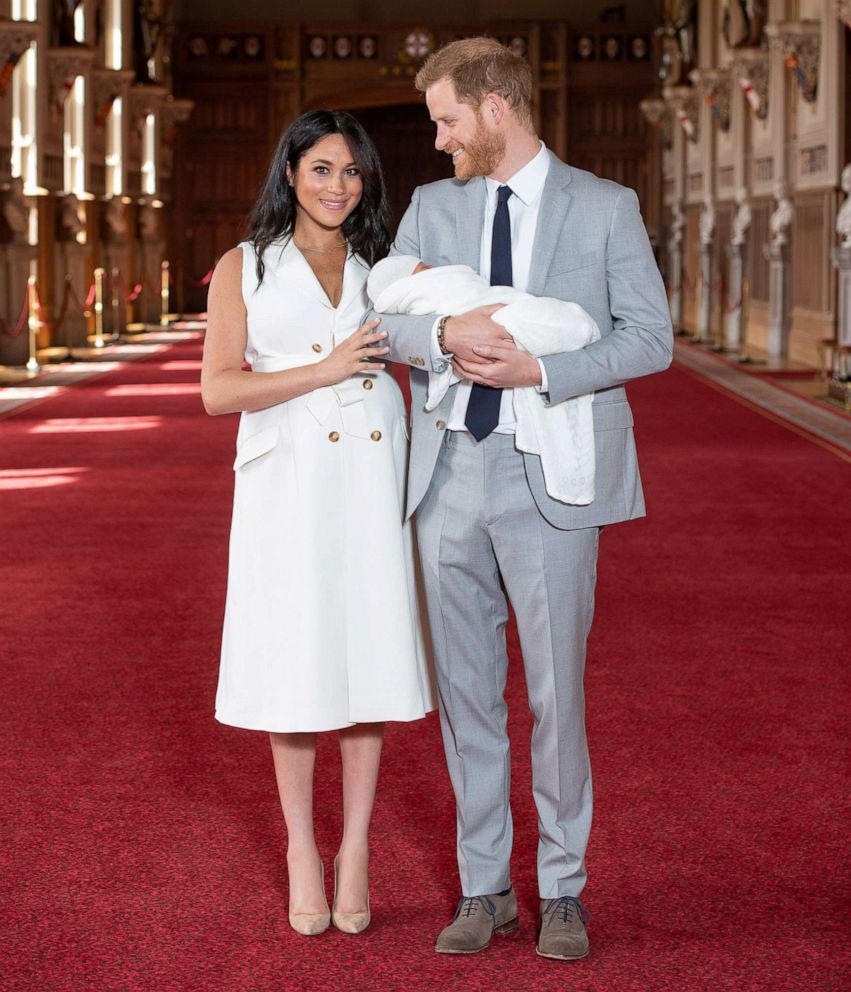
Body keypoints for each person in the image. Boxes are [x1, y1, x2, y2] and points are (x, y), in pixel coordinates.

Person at [367, 38, 672, 961]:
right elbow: (384, 318)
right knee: (467, 698)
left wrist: (540, 365)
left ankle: (564, 890)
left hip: (551, 477)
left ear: (496, 109)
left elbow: (649, 340)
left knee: (555, 697)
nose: (438, 140)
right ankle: (484, 887)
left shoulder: (604, 207)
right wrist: (444, 328)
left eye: (448, 120)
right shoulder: (432, 205)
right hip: (448, 476)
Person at [201, 109, 434, 938]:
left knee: (366, 652)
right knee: (298, 660)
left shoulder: (386, 266)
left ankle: (358, 847)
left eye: (352, 172)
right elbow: (219, 390)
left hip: (372, 472)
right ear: (291, 173)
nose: (339, 186)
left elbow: (434, 339)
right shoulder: (245, 266)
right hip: (288, 478)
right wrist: (324, 367)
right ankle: (304, 845)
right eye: (322, 169)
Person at [368, 254, 600, 505]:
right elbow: (375, 326)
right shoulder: (422, 221)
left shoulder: (607, 213)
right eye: (424, 269)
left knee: (541, 319)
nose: (433, 268)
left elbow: (647, 334)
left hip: (532, 449)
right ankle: (571, 326)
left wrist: (538, 372)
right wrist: (445, 333)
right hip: (447, 454)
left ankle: (572, 325)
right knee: (523, 322)